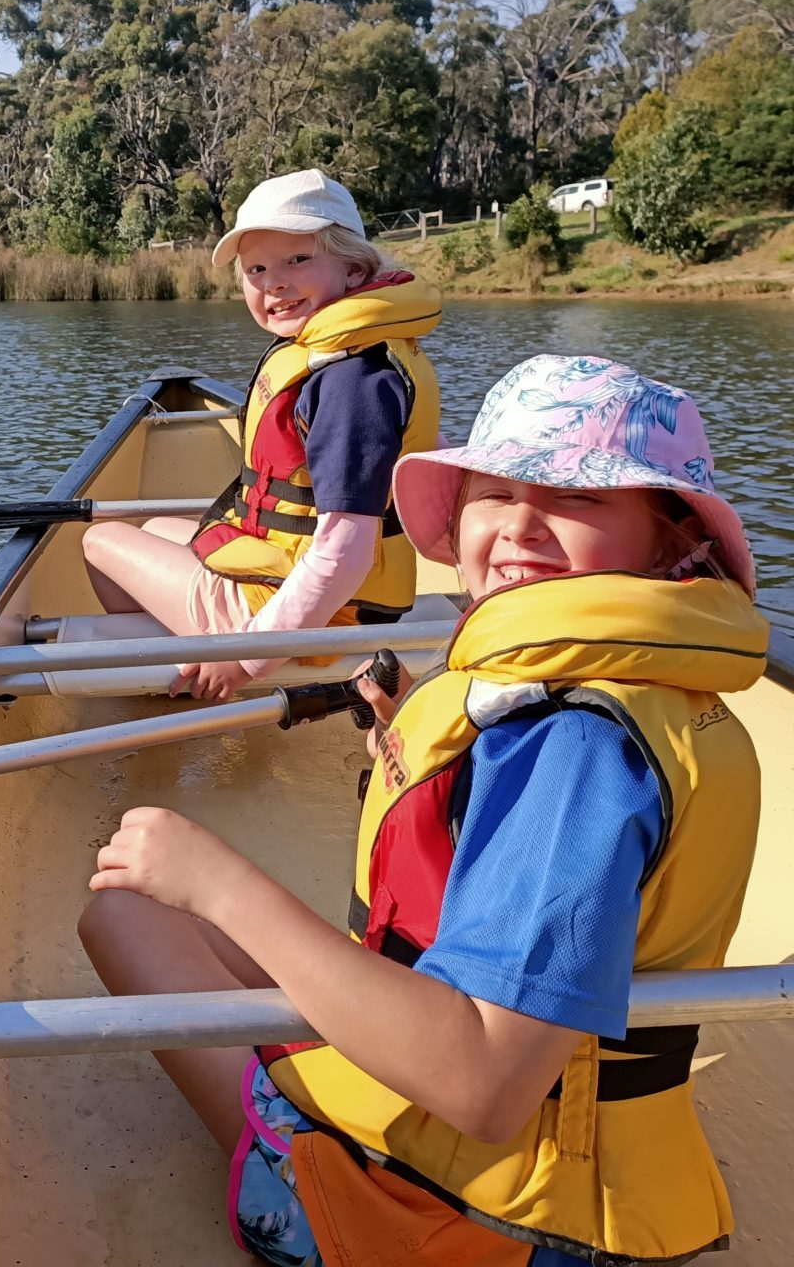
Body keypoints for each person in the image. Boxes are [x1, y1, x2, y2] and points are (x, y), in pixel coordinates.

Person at [79, 354, 768, 1267]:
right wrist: (414, 745)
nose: (520, 527)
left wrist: (217, 884)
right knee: (146, 908)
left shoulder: (576, 752)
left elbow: (481, 1082)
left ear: (671, 537)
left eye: (577, 499)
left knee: (130, 913)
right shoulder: (633, 693)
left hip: (474, 1222)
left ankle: (301, 1191)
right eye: (492, 493)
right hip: (535, 1156)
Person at [80, 169, 441, 700]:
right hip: (312, 583)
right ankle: (189, 661)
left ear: (353, 267)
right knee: (155, 525)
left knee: (98, 540)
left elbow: (344, 553)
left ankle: (191, 683)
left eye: (298, 260)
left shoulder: (350, 382)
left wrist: (246, 660)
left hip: (328, 615)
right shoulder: (346, 355)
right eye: (257, 268)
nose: (274, 282)